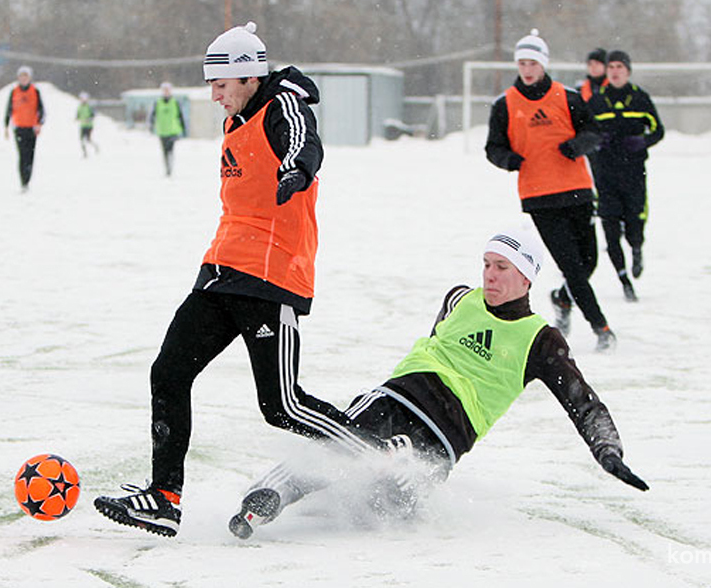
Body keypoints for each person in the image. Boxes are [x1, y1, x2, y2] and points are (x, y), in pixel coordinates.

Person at [94, 21, 382, 537]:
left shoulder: (281, 107)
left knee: (281, 405)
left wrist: (298, 169)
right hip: (222, 268)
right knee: (169, 372)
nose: (214, 94)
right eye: (211, 84)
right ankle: (163, 497)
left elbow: (302, 142)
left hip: (270, 274)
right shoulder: (236, 120)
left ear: (249, 76)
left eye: (220, 83)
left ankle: (377, 462)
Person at [227, 228, 649, 540]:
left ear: (526, 278)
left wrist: (607, 450)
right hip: (398, 399)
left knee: (381, 513)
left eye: (502, 267)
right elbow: (432, 349)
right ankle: (272, 493)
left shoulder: (541, 340)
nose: (490, 275)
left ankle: (390, 460)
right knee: (337, 446)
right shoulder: (459, 298)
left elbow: (584, 402)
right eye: (486, 264)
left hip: (446, 440)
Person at [485, 29, 615, 352]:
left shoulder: (568, 97)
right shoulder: (505, 105)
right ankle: (601, 327)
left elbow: (594, 132)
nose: (527, 69)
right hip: (539, 197)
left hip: (578, 191)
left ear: (543, 64)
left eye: (532, 63)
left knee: (589, 261)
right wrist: (509, 159)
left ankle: (561, 298)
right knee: (572, 266)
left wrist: (576, 146)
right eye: (522, 63)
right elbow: (493, 147)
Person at [589, 50, 664, 301]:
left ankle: (637, 248)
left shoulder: (640, 98)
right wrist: (598, 142)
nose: (615, 71)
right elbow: (584, 135)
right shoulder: (597, 101)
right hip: (606, 177)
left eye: (620, 66)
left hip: (633, 175)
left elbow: (658, 130)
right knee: (610, 232)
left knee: (634, 227)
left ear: (628, 71)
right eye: (611, 66)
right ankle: (624, 280)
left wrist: (641, 142)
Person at [4, 66, 44, 192]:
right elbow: (9, 109)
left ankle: (27, 179)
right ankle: (23, 181)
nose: (23, 78)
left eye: (26, 76)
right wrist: (6, 125)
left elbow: (41, 110)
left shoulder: (35, 91)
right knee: (22, 155)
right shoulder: (14, 92)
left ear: (29, 78)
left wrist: (39, 124)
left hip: (31, 128)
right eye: (21, 76)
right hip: (19, 127)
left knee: (30, 155)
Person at [149, 81, 186, 176]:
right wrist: (151, 126)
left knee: (170, 149)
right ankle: (167, 167)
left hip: (173, 131)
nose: (166, 92)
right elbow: (152, 116)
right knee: (164, 151)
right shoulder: (157, 103)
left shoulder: (175, 102)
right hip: (162, 131)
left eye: (168, 90)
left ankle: (170, 168)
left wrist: (183, 129)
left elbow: (180, 116)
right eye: (164, 90)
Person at [75, 92, 98, 158]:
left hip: (89, 126)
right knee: (81, 139)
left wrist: (89, 119)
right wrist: (77, 118)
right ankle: (85, 153)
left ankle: (95, 147)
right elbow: (78, 115)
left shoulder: (89, 106)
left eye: (84, 98)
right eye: (81, 99)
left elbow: (93, 115)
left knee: (88, 139)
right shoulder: (79, 107)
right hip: (83, 125)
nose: (83, 100)